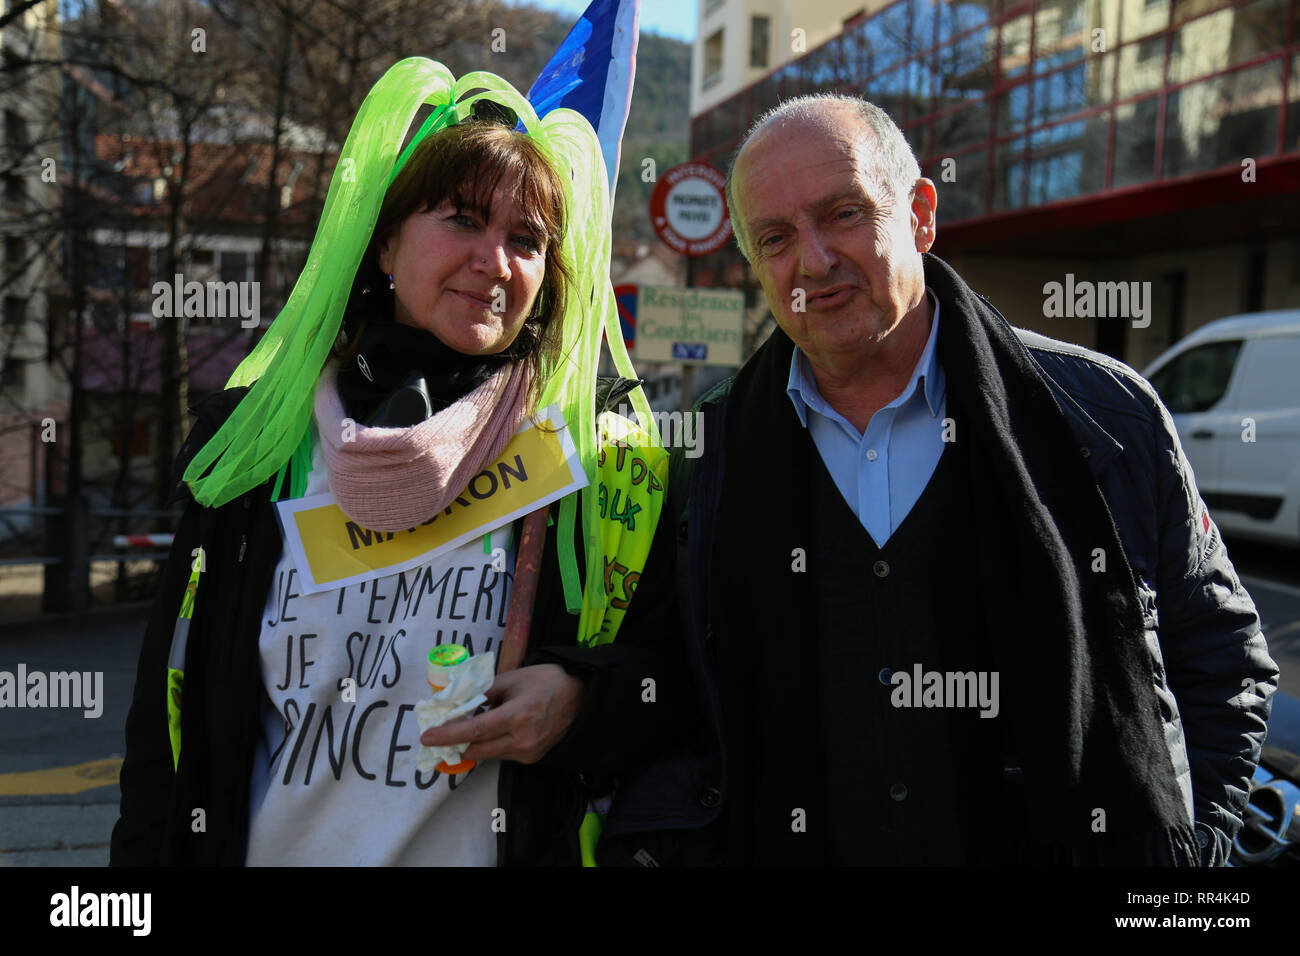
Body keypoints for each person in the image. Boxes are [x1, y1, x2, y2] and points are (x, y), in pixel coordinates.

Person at [596, 93, 1280, 866]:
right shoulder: (705, 451)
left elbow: (1224, 657)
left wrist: (1187, 862)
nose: (814, 261)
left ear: (920, 214)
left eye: (845, 213)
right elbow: (668, 682)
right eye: (776, 238)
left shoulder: (1102, 416)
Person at [110, 59, 687, 866]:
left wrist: (586, 701)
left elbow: (689, 682)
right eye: (462, 220)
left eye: (526, 240)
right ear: (383, 242)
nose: (496, 261)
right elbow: (165, 735)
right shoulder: (261, 448)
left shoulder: (598, 464)